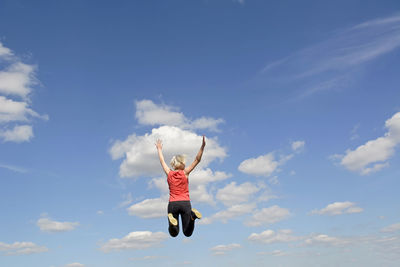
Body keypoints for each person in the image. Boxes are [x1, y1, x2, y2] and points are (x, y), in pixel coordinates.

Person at [155, 136, 206, 237]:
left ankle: (172, 223)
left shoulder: (169, 173)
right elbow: (197, 160)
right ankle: (192, 217)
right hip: (185, 203)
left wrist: (159, 149)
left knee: (174, 233)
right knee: (187, 232)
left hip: (173, 204)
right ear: (182, 163)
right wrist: (202, 146)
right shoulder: (185, 173)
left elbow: (162, 161)